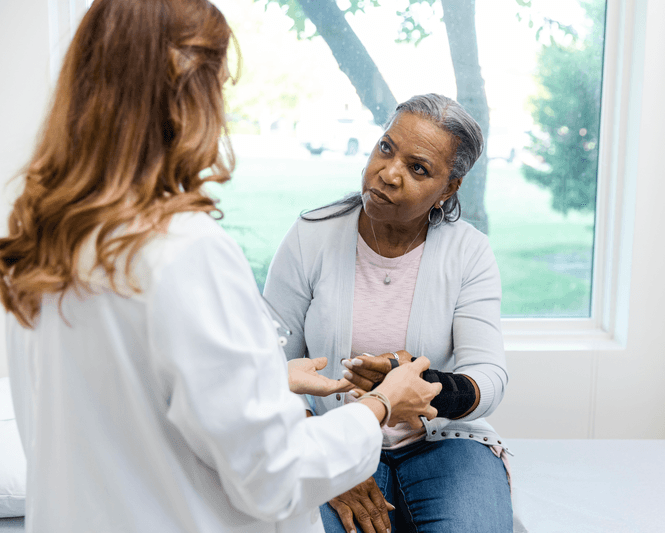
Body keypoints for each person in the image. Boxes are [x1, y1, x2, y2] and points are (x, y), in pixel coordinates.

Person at [0, 1, 441, 532]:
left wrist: (266, 380)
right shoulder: (184, 250)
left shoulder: (40, 236)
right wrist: (379, 405)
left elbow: (122, 404)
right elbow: (273, 477)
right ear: (189, 92)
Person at [264, 94, 513, 533]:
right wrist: (319, 453)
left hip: (446, 443)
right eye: (385, 148)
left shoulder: (469, 252)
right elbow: (266, 364)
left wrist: (421, 386)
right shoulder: (311, 236)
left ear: (448, 189)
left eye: (418, 168)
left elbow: (488, 377)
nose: (389, 173)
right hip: (334, 435)